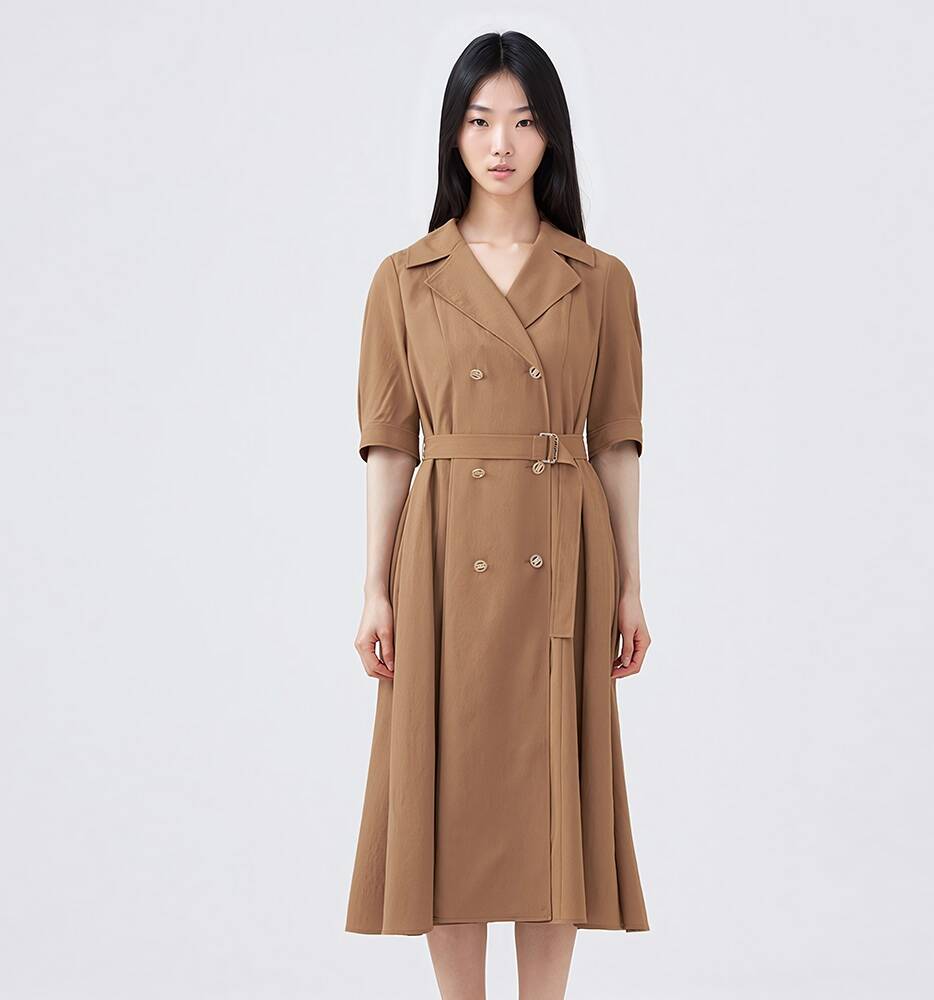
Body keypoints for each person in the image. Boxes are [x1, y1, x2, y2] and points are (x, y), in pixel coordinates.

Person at [346, 30, 651, 1000]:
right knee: (450, 799)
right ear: (454, 135)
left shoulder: (599, 279)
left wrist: (631, 584)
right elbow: (391, 443)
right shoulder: (406, 278)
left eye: (522, 121)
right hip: (443, 560)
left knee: (551, 800)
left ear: (551, 134)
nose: (501, 144)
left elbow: (616, 441)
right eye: (480, 121)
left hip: (562, 550)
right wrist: (374, 587)